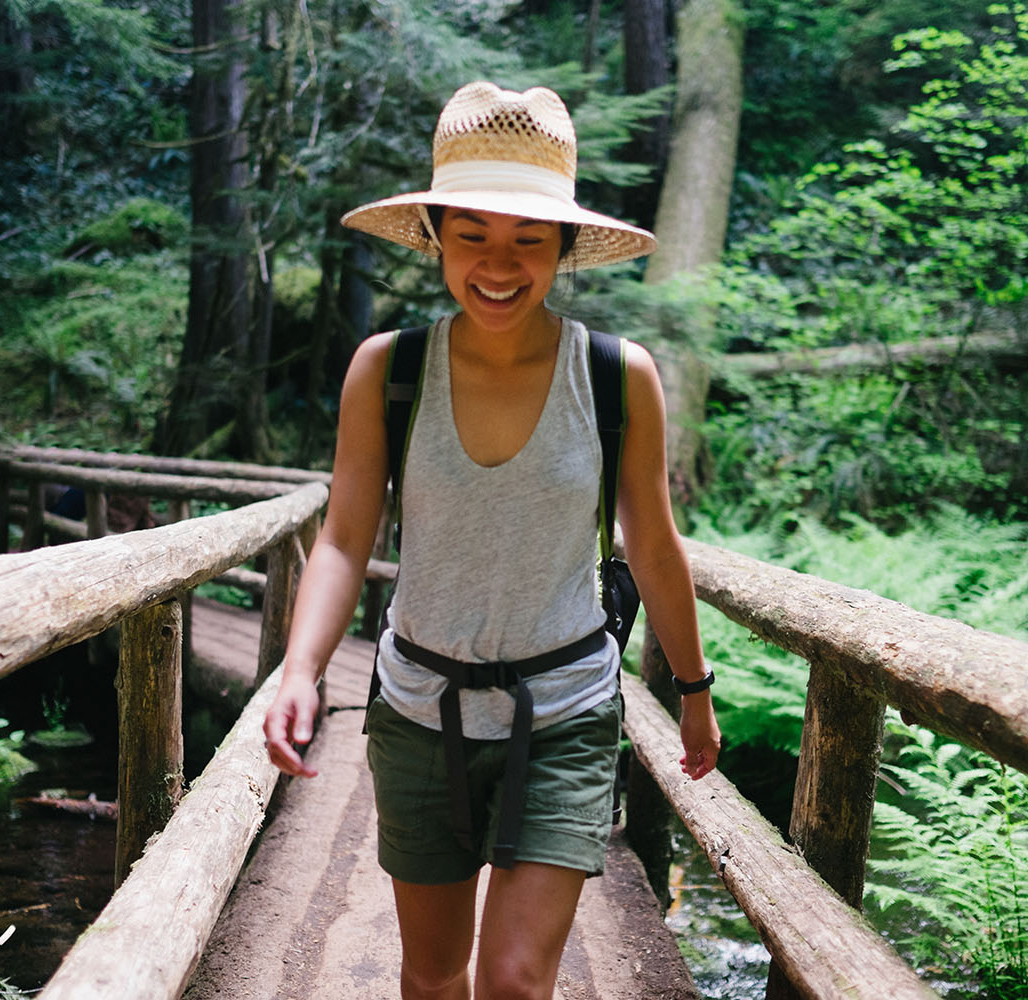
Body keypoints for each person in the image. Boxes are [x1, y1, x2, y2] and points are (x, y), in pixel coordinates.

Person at [263, 81, 720, 1000]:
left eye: (527, 241)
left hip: (564, 714)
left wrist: (697, 690)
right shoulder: (386, 372)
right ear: (434, 234)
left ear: (563, 247)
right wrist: (300, 669)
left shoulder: (616, 376)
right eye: (472, 234)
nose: (498, 265)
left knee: (513, 981)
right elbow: (347, 537)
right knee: (434, 977)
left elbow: (654, 543)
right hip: (418, 708)